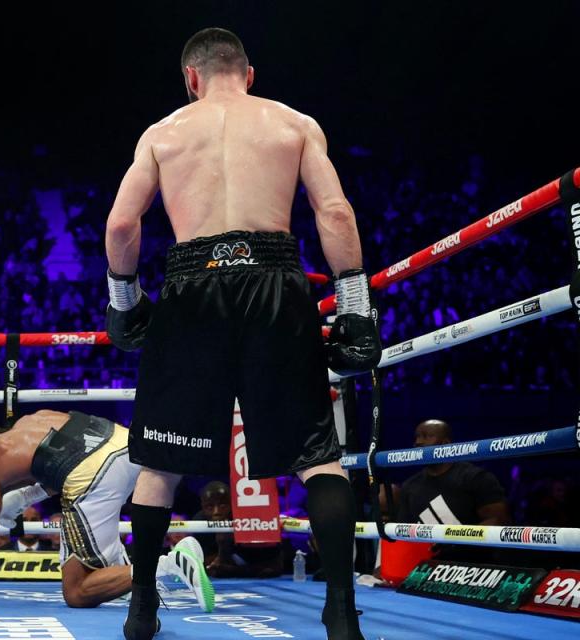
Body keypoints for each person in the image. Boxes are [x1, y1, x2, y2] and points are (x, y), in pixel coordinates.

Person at [103, 28, 381, 640]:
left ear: (190, 78)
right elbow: (334, 213)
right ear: (249, 74)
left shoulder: (163, 134)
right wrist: (356, 306)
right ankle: (341, 611)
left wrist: (124, 302)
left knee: (160, 465)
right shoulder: (293, 124)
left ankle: (142, 605)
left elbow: (123, 225)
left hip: (192, 283)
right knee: (317, 457)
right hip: (276, 282)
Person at [0, 410, 212, 610]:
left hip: (94, 474)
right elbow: (69, 459)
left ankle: (169, 565)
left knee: (76, 591)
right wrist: (24, 497)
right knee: (92, 543)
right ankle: (128, 577)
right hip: (128, 446)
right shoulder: (31, 422)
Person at [395, 419, 510, 562]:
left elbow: (498, 520)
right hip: (426, 569)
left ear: (445, 444)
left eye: (426, 436)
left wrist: (453, 537)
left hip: (474, 567)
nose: (418, 442)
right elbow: (402, 533)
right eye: (417, 437)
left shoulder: (474, 477)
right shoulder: (410, 486)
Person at [194, 482, 284, 579]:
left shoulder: (248, 518)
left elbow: (273, 566)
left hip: (259, 562)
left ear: (232, 504)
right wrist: (223, 549)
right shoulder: (199, 523)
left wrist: (230, 566)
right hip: (238, 569)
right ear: (202, 506)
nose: (217, 512)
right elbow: (207, 564)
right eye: (210, 507)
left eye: (223, 505)